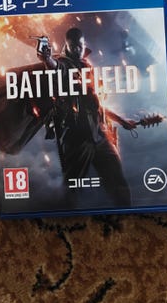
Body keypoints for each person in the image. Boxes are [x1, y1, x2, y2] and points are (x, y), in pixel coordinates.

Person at [37, 27, 134, 206]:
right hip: (77, 139)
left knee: (117, 181)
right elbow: (56, 67)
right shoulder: (64, 64)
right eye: (73, 46)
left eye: (80, 45)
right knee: (71, 190)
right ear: (67, 46)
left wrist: (122, 121)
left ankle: (126, 213)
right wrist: (47, 59)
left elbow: (96, 104)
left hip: (99, 135)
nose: (78, 49)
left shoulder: (87, 67)